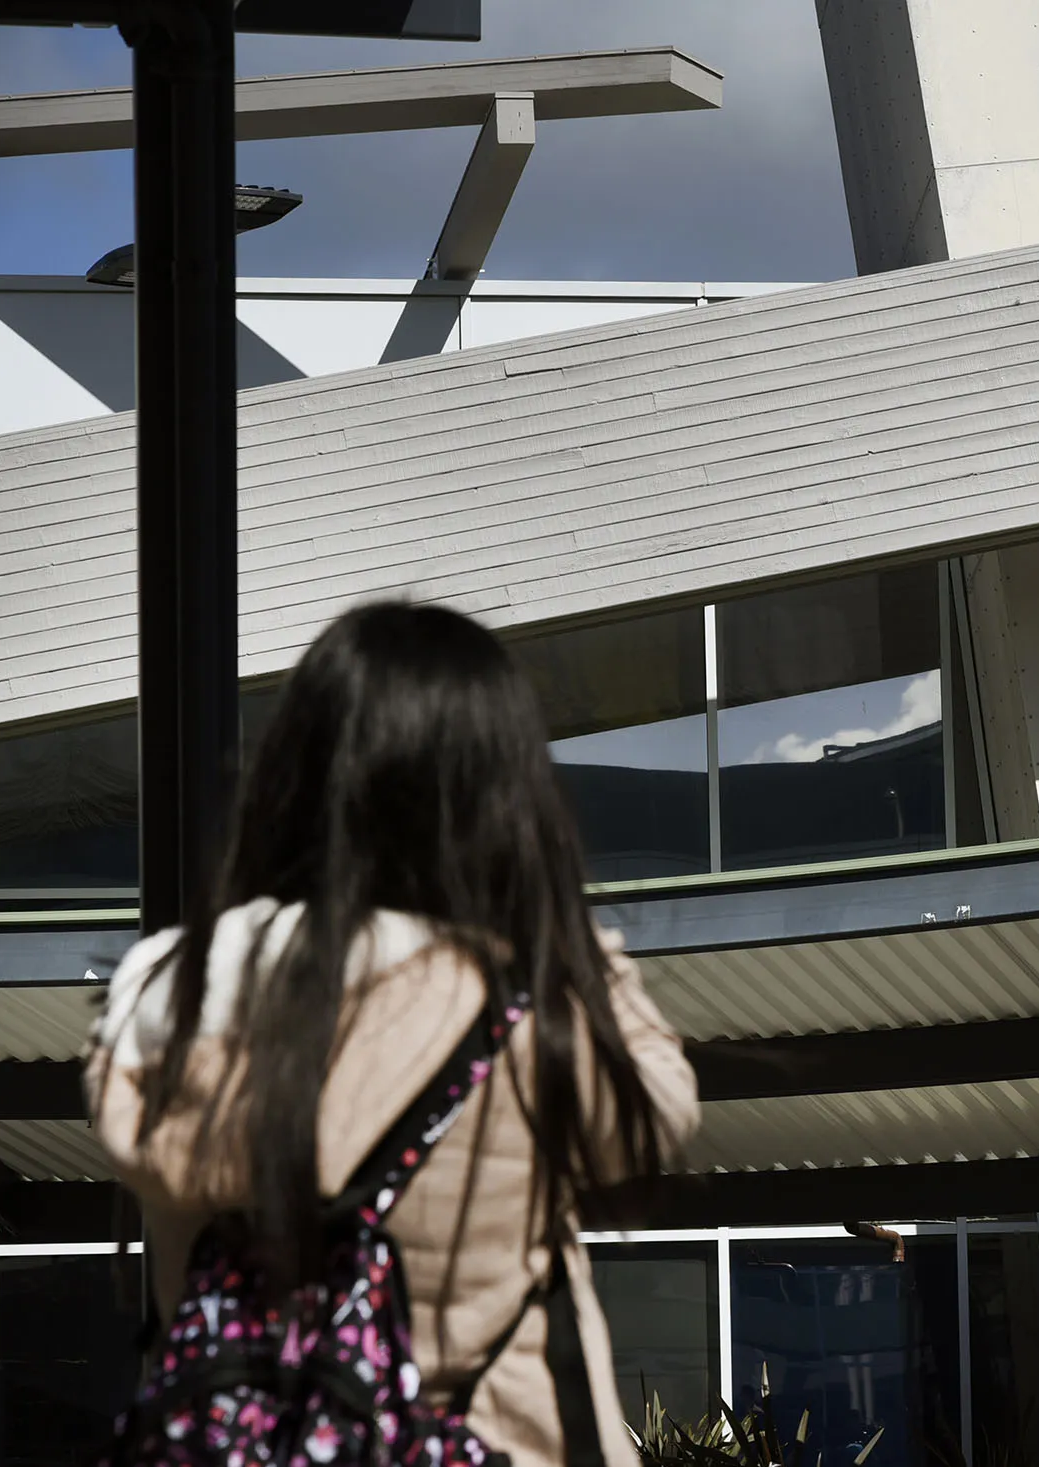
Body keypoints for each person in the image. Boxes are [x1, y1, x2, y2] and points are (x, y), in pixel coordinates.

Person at [86, 602, 701, 1467]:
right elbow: (659, 1114)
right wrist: (555, 919)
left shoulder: (173, 991)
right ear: (503, 797)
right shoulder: (530, 1002)